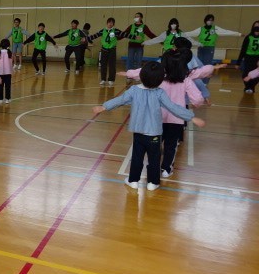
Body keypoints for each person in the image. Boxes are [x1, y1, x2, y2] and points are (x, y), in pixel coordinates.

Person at [93, 61, 205, 191]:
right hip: (154, 134)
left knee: (137, 158)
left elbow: (120, 100)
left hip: (138, 133)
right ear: (160, 79)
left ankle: (133, 181)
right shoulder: (160, 93)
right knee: (154, 159)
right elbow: (173, 108)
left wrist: (104, 107)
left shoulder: (134, 90)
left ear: (141, 76)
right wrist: (191, 117)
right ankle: (153, 182)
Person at [120, 49, 219, 178]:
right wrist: (197, 103)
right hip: (176, 119)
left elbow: (143, 71)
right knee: (171, 145)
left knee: (154, 145)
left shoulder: (159, 76)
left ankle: (153, 169)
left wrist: (128, 73)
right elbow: (197, 98)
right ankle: (166, 169)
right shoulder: (185, 79)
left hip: (157, 118)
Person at [184, 14, 241, 84]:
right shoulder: (200, 29)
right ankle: (199, 81)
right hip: (201, 48)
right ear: (205, 21)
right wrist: (180, 34)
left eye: (211, 20)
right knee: (200, 65)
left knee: (207, 64)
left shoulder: (215, 29)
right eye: (208, 20)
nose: (210, 21)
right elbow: (191, 33)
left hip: (210, 48)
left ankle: (205, 82)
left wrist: (239, 34)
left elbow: (226, 32)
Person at [86, 18, 123, 86]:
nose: (110, 24)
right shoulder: (103, 31)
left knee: (112, 65)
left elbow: (124, 34)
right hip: (104, 50)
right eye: (109, 22)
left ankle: (111, 80)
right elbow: (95, 35)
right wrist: (86, 38)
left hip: (112, 50)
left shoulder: (116, 31)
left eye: (112, 23)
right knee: (103, 65)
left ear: (113, 24)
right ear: (107, 23)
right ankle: (103, 79)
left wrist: (134, 37)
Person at [237, 20, 259, 94]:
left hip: (257, 58)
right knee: (245, 73)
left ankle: (252, 87)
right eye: (256, 26)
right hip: (248, 58)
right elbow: (243, 50)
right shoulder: (248, 37)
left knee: (256, 74)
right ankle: (247, 87)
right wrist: (238, 63)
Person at [0, 39, 13, 104]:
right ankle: (7, 99)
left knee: (0, 86)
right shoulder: (9, 53)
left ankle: (0, 99)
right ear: (8, 45)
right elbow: (11, 62)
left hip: (0, 73)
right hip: (8, 73)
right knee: (8, 86)